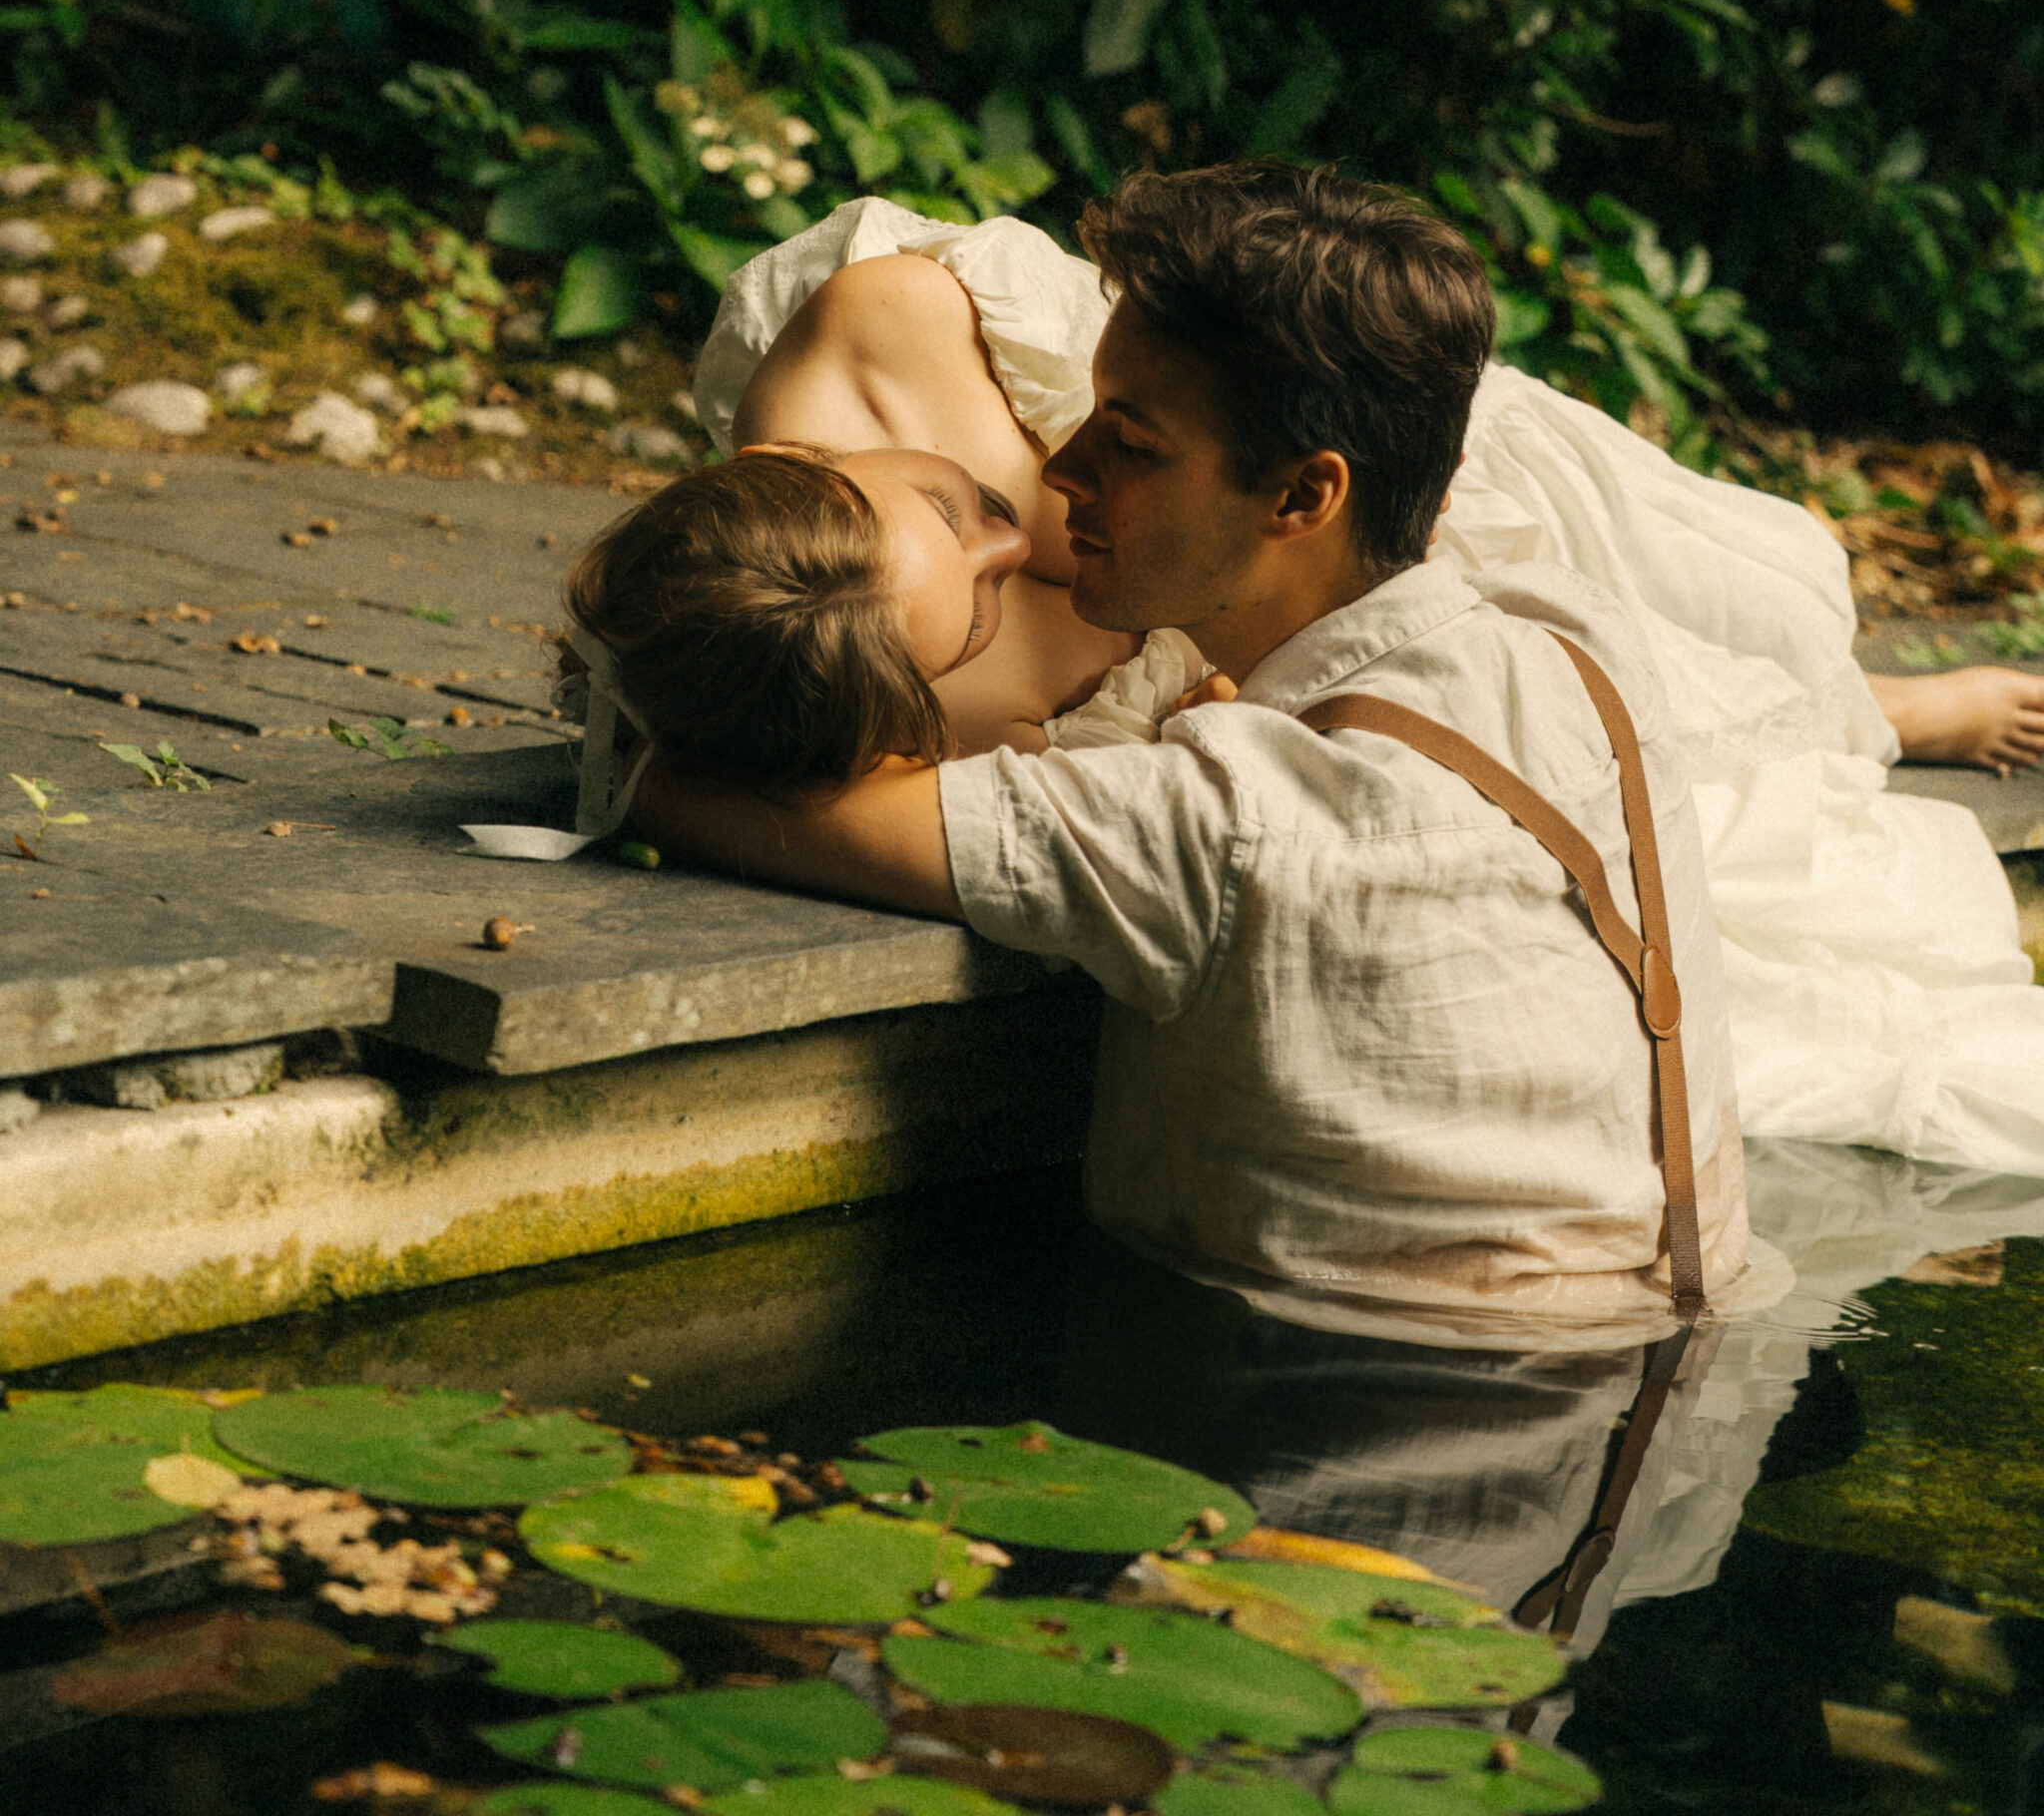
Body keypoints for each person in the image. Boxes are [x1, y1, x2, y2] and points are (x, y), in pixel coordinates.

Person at [568, 172, 2044, 1178]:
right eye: (970, 617)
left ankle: (1873, 701)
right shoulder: (884, 705)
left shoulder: (882, 333)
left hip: (1343, 492)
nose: (1028, 548)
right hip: (1304, 629)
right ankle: (1888, 719)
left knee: (1767, 589)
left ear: (792, 466)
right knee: (1659, 779)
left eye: (962, 511)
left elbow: (1210, 373)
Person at [633, 164, 1790, 1346]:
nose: (1062, 469)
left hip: (1348, 1408)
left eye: (1127, 442)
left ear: (1301, 493)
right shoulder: (1581, 646)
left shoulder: (1220, 822)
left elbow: (682, 787)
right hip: (1679, 1360)